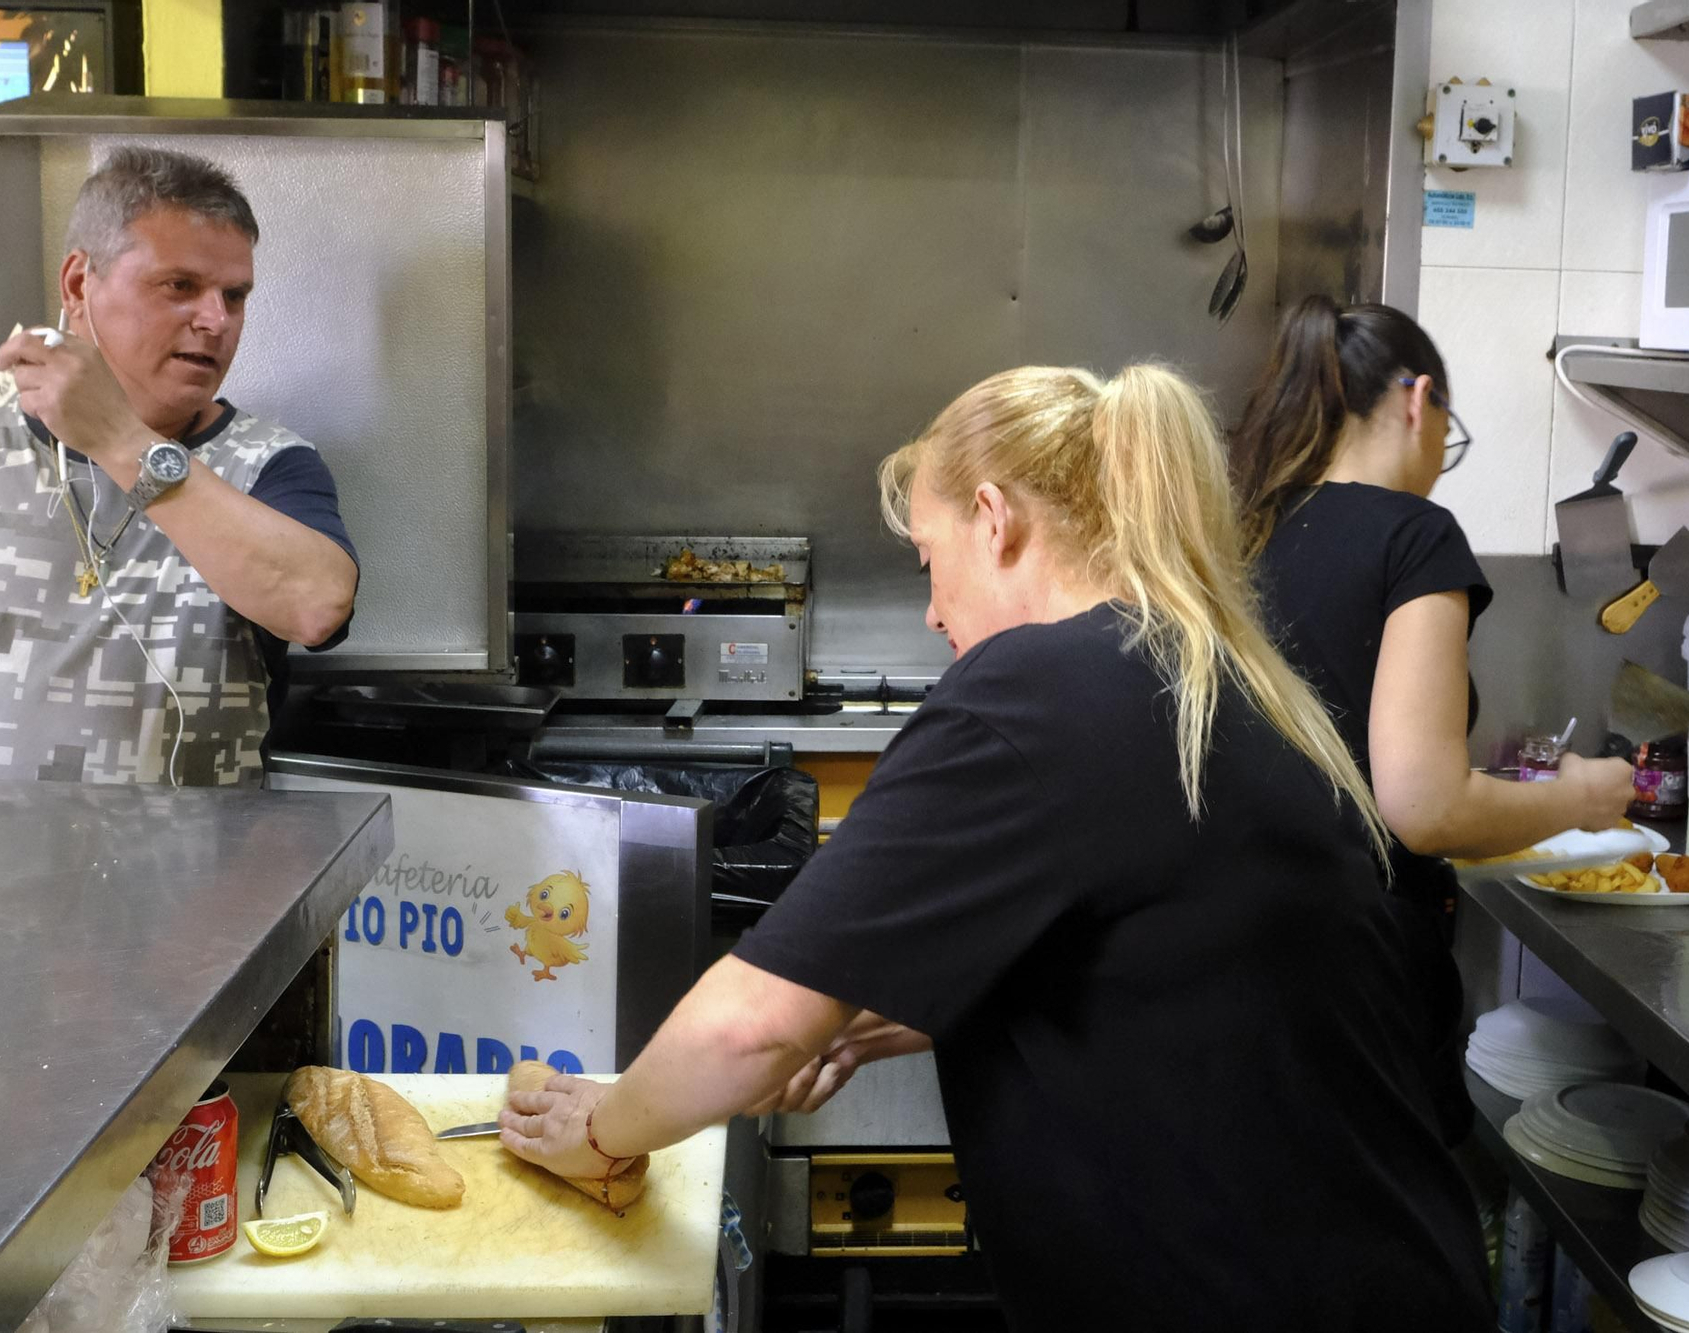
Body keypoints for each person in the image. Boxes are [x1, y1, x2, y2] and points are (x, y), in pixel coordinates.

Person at [501, 363, 1493, 1330]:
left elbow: (748, 1028)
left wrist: (599, 1131)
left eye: (929, 561)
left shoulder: (1033, 689)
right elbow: (1171, 965)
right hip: (1378, 1268)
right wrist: (878, 1017)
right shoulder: (1207, 673)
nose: (931, 611)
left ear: (994, 516)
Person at [0, 146, 358, 786]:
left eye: (235, 295)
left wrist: (118, 438)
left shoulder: (266, 466)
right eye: (180, 286)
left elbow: (315, 605)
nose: (215, 319)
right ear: (79, 284)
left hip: (180, 882)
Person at [1232, 296, 1634, 1138]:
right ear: (1418, 402)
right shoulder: (1414, 537)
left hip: (1230, 960)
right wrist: (1583, 797)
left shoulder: (1247, 526)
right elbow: (1424, 807)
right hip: (1353, 973)